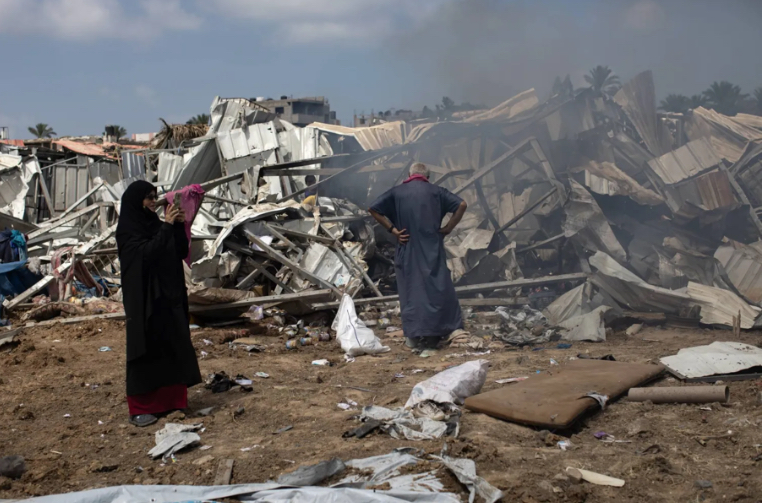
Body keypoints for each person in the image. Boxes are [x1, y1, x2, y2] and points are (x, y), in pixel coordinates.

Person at [116, 181, 202, 427]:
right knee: (146, 350)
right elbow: (146, 255)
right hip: (144, 302)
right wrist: (166, 227)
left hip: (167, 297)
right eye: (148, 198)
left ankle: (172, 401)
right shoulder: (128, 230)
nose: (153, 202)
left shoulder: (157, 224)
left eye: (155, 197)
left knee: (172, 346)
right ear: (137, 201)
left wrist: (178, 226)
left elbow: (179, 251)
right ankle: (141, 408)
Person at [368, 163, 468, 349]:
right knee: (436, 287)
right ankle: (438, 331)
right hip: (432, 248)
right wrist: (447, 228)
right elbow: (462, 204)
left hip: (408, 246)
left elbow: (373, 208)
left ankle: (413, 335)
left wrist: (393, 230)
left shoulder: (397, 192)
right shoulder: (437, 191)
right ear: (427, 177)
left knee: (411, 290)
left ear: (409, 175)